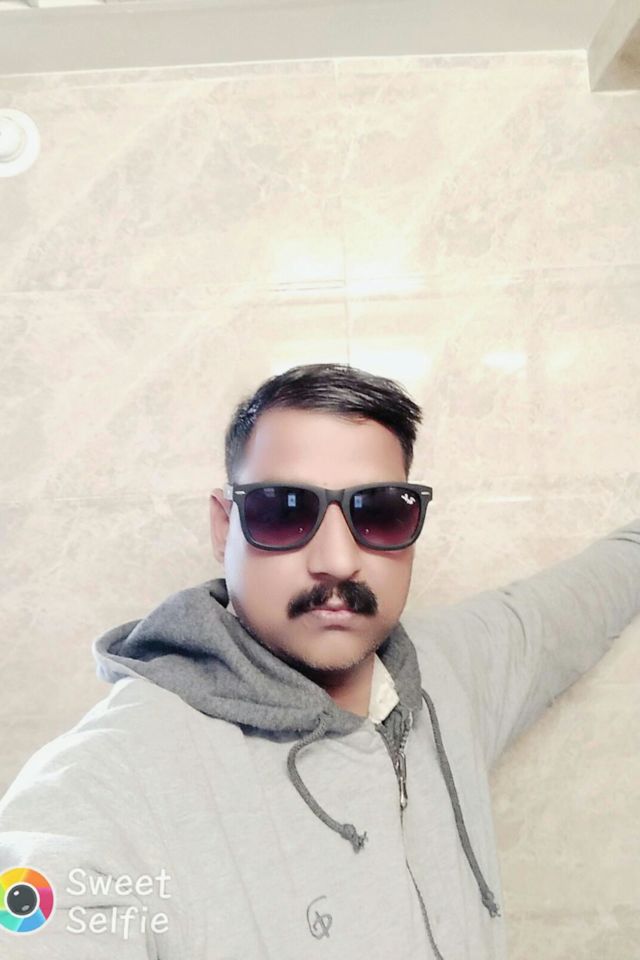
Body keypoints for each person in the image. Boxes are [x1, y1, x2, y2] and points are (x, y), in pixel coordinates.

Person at [0, 362, 638, 960]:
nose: (336, 560)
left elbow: (585, 594)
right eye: (283, 510)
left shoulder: (453, 671)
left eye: (379, 512)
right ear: (225, 526)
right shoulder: (110, 779)